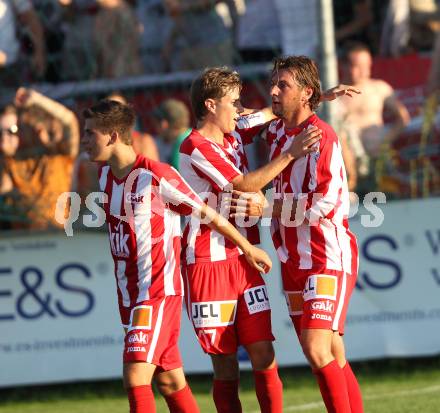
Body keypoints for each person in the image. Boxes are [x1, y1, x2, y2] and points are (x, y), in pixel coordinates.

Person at [81, 99, 272, 413]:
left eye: (90, 133)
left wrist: (247, 247)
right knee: (169, 381)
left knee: (135, 375)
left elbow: (208, 213)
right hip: (129, 295)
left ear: (113, 135)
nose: (85, 140)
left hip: (157, 291)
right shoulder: (105, 178)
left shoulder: (157, 175)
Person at [178, 66, 327, 413]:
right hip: (207, 263)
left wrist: (320, 95)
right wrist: (291, 153)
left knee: (263, 351)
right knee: (226, 362)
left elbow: (267, 113)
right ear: (211, 105)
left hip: (243, 261)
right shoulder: (195, 146)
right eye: (233, 102)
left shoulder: (232, 133)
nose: (240, 109)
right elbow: (243, 185)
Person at [245, 55, 364, 413]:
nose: (273, 91)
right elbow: (240, 122)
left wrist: (268, 207)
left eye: (284, 85)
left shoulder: (322, 137)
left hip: (326, 257)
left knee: (315, 348)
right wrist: (316, 97)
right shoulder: (279, 130)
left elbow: (324, 206)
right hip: (292, 259)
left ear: (304, 93)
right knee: (331, 351)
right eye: (274, 83)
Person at [0, 88, 79, 229]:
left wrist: (38, 99)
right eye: (23, 129)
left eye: (35, 128)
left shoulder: (60, 157)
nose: (39, 135)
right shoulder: (12, 164)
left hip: (57, 237)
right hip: (23, 242)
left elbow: (69, 121)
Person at [338, 42, 410, 193]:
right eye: (357, 65)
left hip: (379, 159)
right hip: (350, 166)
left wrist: (386, 139)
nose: (364, 70)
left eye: (367, 65)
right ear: (343, 65)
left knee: (390, 199)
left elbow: (403, 118)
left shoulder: (379, 88)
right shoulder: (334, 96)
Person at [152, 98, 192, 170]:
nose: (154, 127)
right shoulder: (193, 135)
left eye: (156, 123)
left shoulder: (183, 144)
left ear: (164, 124)